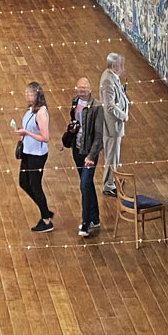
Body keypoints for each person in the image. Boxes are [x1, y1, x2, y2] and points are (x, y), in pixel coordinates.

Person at [66, 78, 106, 237]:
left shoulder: (97, 107)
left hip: (89, 153)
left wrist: (91, 155)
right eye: (79, 87)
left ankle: (86, 222)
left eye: (84, 87)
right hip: (77, 150)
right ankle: (95, 218)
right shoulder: (75, 102)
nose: (81, 90)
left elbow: (99, 136)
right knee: (87, 184)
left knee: (84, 185)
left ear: (90, 89)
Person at [12, 82, 53, 232]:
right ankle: (45, 210)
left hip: (37, 154)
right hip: (28, 152)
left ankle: (46, 220)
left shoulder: (41, 113)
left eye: (31, 93)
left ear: (38, 94)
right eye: (27, 93)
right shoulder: (31, 109)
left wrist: (26, 133)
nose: (28, 96)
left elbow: (45, 137)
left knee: (35, 186)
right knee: (24, 182)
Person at [99, 53, 128, 196]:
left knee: (114, 156)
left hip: (115, 125)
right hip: (112, 126)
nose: (123, 67)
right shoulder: (107, 81)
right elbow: (109, 106)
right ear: (114, 66)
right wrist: (123, 116)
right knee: (111, 156)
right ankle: (108, 186)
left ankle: (112, 179)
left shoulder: (112, 77)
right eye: (121, 64)